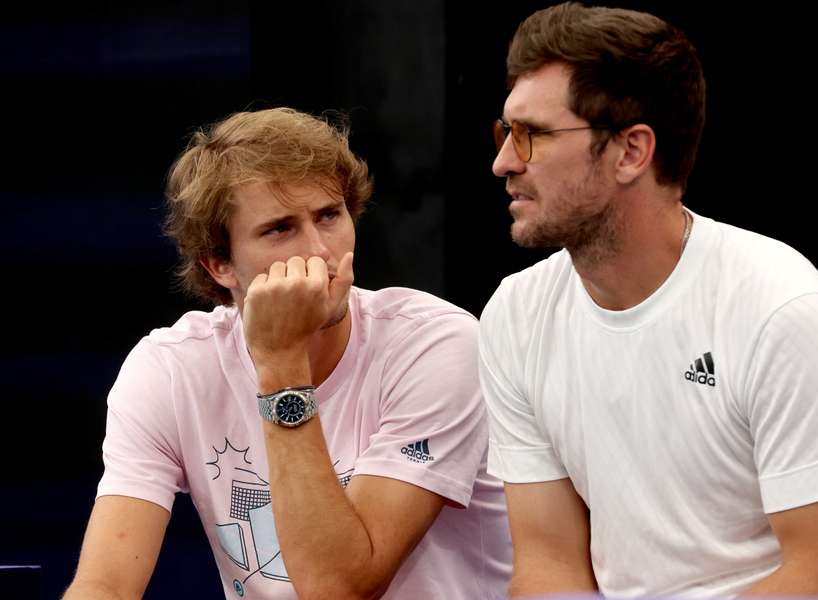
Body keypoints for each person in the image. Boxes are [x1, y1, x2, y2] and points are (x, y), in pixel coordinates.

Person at [479, 2, 818, 598]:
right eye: (505, 132)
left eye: (532, 136)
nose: (503, 162)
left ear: (631, 151)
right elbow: (549, 568)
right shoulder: (515, 315)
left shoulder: (786, 314)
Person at [63, 107, 512, 600]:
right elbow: (106, 584)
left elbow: (338, 587)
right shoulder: (170, 369)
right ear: (220, 266)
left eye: (329, 215)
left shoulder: (435, 344)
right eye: (280, 228)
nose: (320, 250)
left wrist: (280, 363)